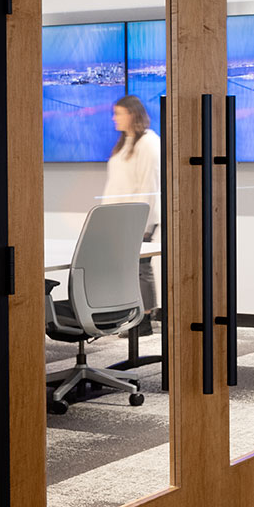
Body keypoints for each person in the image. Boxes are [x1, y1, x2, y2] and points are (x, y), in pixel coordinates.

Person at [102, 96, 161, 333]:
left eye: (119, 113)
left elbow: (149, 184)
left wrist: (143, 223)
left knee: (140, 266)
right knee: (126, 268)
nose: (114, 118)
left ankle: (144, 320)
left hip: (138, 218)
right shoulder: (125, 142)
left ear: (133, 114)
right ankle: (131, 315)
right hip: (118, 218)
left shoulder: (148, 143)